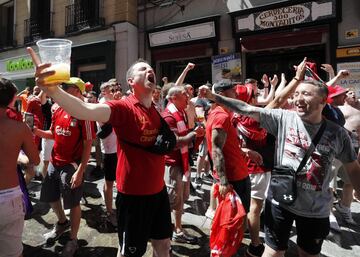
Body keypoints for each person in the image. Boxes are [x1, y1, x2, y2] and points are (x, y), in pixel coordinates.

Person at [28, 47, 173, 257]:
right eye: (143, 68)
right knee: (130, 253)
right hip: (134, 197)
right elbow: (85, 110)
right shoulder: (124, 107)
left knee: (163, 245)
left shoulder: (155, 110)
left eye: (150, 68)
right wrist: (52, 91)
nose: (149, 69)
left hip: (158, 192)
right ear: (131, 82)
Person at [205, 77, 360, 257]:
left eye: (306, 94)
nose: (298, 98)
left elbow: (353, 168)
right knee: (273, 252)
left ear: (323, 101)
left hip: (316, 210)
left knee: (309, 253)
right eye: (296, 94)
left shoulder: (338, 134)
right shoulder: (283, 118)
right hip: (279, 202)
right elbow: (246, 109)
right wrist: (214, 97)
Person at [33, 77, 95, 257]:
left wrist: (81, 170)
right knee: (50, 196)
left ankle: (73, 239)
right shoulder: (58, 108)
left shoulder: (85, 112)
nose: (61, 89)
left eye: (65, 87)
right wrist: (36, 131)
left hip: (71, 164)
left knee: (73, 203)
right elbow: (53, 133)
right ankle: (62, 223)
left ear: (77, 90)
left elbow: (88, 143)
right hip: (55, 161)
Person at [0, 78, 40, 257]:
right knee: (13, 253)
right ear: (12, 100)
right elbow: (35, 159)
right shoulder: (20, 128)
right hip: (9, 198)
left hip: (10, 197)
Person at [163, 86, 205, 244]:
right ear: (173, 98)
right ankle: (172, 231)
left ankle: (177, 227)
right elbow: (175, 142)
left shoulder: (181, 113)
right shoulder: (168, 116)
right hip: (173, 164)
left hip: (183, 162)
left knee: (181, 199)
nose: (188, 97)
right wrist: (194, 133)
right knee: (173, 199)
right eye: (184, 95)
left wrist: (196, 133)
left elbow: (187, 137)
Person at [206, 80, 251, 213]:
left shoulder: (221, 114)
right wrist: (224, 182)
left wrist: (244, 151)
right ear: (221, 94)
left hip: (237, 175)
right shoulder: (221, 116)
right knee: (236, 221)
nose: (236, 93)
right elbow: (216, 149)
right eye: (232, 90)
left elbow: (225, 145)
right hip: (234, 179)